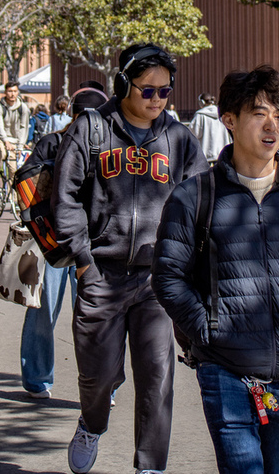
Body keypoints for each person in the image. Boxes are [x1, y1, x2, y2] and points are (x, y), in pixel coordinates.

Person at [153, 65, 279, 474]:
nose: (272, 126)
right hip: (225, 369)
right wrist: (207, 329)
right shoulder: (195, 197)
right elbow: (168, 276)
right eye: (260, 113)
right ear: (229, 120)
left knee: (276, 467)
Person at [52, 43, 208, 474]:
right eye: (147, 90)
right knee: (98, 377)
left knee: (157, 379)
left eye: (165, 91)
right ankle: (92, 423)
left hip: (156, 281)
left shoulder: (179, 139)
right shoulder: (92, 130)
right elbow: (64, 197)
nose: (157, 100)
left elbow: (199, 205)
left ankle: (150, 466)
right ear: (124, 84)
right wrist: (83, 260)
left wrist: (182, 264)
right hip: (101, 274)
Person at [19, 85, 109, 400]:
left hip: (94, 246)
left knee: (95, 315)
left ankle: (102, 384)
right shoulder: (52, 143)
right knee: (45, 310)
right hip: (55, 244)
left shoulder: (110, 147)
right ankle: (38, 379)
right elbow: (26, 183)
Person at [0, 81, 31, 188]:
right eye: (10, 91)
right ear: (5, 92)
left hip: (14, 142)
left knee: (14, 170)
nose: (12, 94)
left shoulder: (23, 108)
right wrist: (5, 141)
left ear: (18, 92)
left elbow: (24, 127)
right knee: (2, 153)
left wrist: (21, 145)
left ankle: (15, 201)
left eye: (15, 91)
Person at [186, 92, 232, 164]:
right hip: (222, 154)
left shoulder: (200, 115)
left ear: (202, 102)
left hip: (206, 155)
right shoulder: (222, 114)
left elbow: (192, 134)